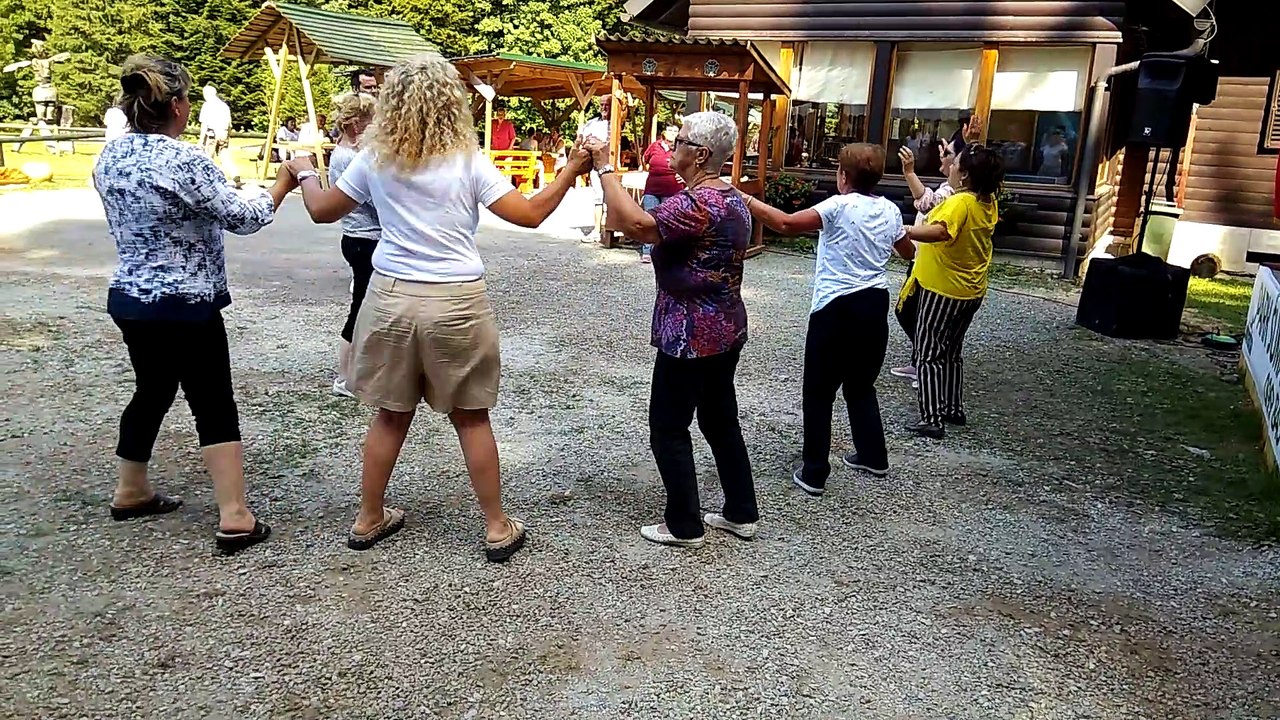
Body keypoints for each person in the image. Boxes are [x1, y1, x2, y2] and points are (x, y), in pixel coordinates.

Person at [284, 53, 593, 560]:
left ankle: (368, 516)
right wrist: (571, 170)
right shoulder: (467, 160)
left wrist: (303, 173)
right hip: (456, 299)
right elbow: (530, 214)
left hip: (391, 296)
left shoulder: (374, 157)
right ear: (452, 102)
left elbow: (321, 211)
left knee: (390, 415)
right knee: (471, 417)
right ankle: (496, 526)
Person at [92, 55, 298, 555]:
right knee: (212, 400)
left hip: (132, 298)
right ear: (179, 106)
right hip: (187, 302)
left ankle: (131, 488)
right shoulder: (184, 160)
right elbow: (243, 218)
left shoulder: (110, 156)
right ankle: (235, 514)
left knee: (152, 389)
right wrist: (283, 183)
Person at [582, 111, 758, 549]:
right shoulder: (732, 198)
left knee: (668, 425)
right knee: (720, 419)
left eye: (679, 141)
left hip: (689, 333)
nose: (671, 147)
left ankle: (684, 524)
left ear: (699, 154)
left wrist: (605, 168)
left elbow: (636, 224)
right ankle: (740, 511)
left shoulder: (696, 203)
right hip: (725, 327)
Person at [743, 144, 914, 494]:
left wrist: (745, 199)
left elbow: (786, 223)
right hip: (874, 303)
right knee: (861, 385)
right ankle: (873, 454)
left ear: (843, 176)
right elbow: (907, 251)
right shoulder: (891, 210)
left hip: (835, 306)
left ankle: (815, 471)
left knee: (819, 392)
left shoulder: (837, 206)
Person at [899, 146, 1003, 439]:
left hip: (943, 288)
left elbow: (940, 231)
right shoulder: (988, 201)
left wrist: (904, 230)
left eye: (955, 163)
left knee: (929, 351)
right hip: (971, 288)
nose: (951, 167)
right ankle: (952, 407)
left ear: (965, 174)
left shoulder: (961, 203)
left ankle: (931, 417)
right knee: (952, 351)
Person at [892, 119, 982, 386]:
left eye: (950, 155)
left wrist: (903, 230)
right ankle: (922, 362)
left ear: (963, 169)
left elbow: (927, 206)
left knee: (922, 320)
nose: (943, 156)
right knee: (914, 314)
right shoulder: (954, 189)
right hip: (927, 262)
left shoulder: (958, 197)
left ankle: (928, 370)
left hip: (939, 269)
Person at [326, 91, 380, 399]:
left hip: (359, 237)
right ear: (357, 124)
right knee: (360, 308)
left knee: (368, 305)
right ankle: (345, 377)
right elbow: (370, 198)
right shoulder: (351, 158)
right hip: (365, 238)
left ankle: (362, 370)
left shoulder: (345, 152)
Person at [638, 124, 682, 263]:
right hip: (652, 188)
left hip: (672, 189)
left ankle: (665, 252)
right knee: (649, 219)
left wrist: (683, 177)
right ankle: (647, 250)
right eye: (670, 130)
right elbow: (645, 160)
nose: (672, 133)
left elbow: (689, 165)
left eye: (675, 131)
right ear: (664, 132)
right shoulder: (655, 146)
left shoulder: (680, 149)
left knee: (668, 220)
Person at [576, 100, 612, 243]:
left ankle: (607, 229)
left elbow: (610, 144)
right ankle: (596, 230)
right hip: (595, 165)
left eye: (607, 105)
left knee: (610, 199)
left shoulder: (616, 124)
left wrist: (600, 145)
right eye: (602, 105)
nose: (604, 108)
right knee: (598, 198)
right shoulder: (592, 123)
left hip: (610, 165)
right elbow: (582, 140)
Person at [198, 85, 236, 183]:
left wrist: (201, 141)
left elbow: (204, 124)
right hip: (223, 133)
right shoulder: (224, 106)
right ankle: (235, 174)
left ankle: (208, 179)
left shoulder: (207, 105)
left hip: (212, 134)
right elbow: (229, 124)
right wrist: (227, 136)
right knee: (224, 155)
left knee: (208, 157)